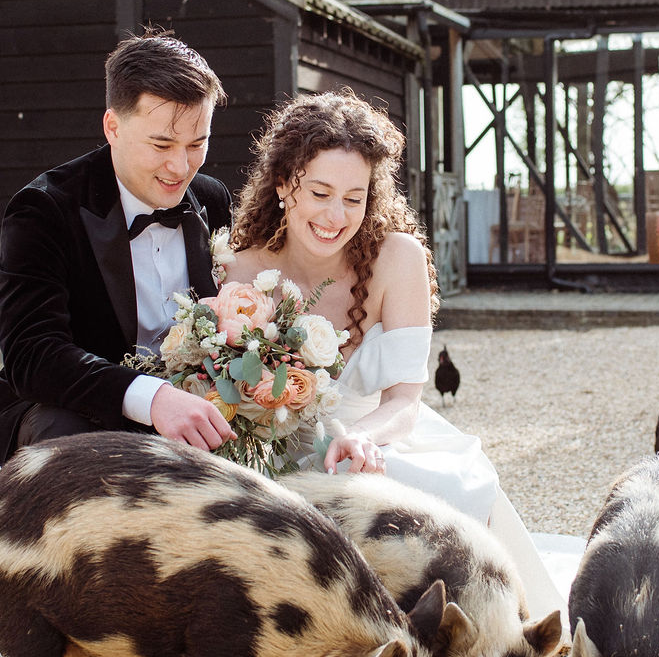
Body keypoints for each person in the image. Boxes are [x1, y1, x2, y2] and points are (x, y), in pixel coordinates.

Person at [226, 89, 581, 622]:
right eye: (319, 192)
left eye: (354, 197)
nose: (335, 214)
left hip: (379, 432)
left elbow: (405, 401)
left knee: (438, 492)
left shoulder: (398, 258)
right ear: (283, 186)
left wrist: (362, 437)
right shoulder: (242, 270)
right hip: (278, 442)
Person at [0, 31, 240, 503]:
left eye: (198, 143)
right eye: (161, 144)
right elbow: (33, 354)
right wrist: (152, 398)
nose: (181, 166)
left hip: (192, 409)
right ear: (113, 127)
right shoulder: (43, 208)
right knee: (75, 445)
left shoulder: (212, 199)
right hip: (71, 413)